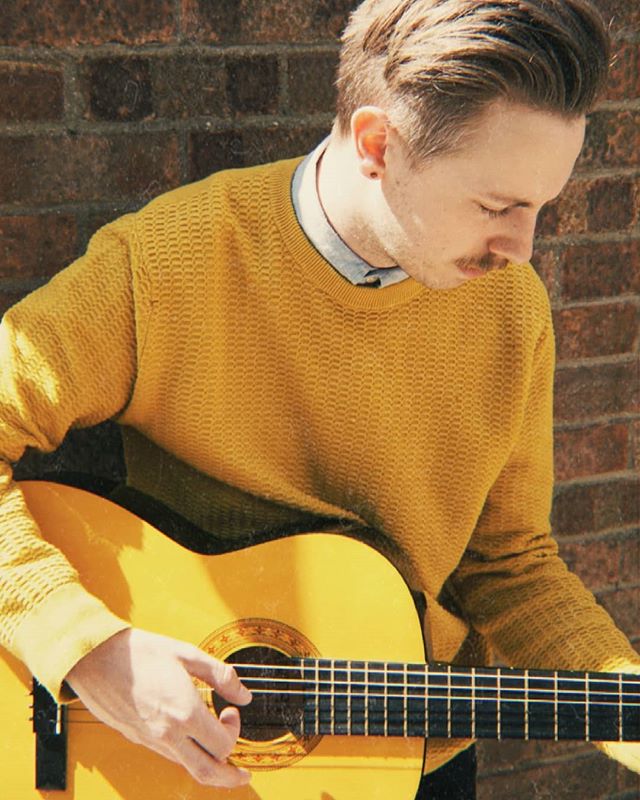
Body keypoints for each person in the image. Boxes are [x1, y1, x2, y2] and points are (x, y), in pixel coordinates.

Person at [0, 0, 638, 796]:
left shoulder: (513, 310)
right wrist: (87, 647)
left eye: (541, 207)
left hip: (417, 761)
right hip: (173, 763)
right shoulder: (168, 264)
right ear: (378, 144)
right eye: (496, 206)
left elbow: (508, 562)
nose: (522, 248)